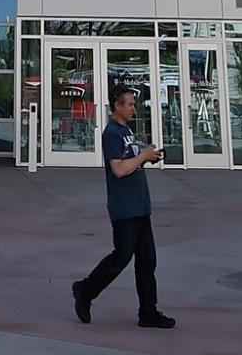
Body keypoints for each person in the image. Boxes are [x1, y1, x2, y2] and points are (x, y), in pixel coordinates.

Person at [71, 85, 175, 328]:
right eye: (128, 104)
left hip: (140, 205)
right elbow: (118, 169)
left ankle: (148, 312)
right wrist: (142, 157)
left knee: (147, 260)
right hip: (124, 208)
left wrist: (148, 157)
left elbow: (131, 164)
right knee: (122, 255)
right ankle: (85, 290)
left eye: (133, 104)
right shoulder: (112, 133)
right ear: (116, 106)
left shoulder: (126, 130)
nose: (133, 108)